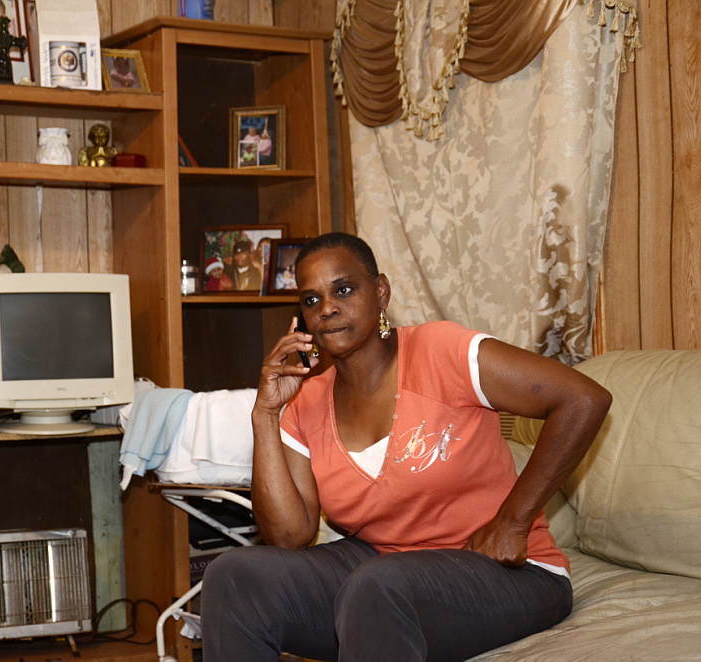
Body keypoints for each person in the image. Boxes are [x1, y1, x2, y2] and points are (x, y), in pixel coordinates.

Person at [201, 232, 612, 661]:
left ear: (380, 291)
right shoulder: (307, 401)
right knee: (234, 575)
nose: (327, 309)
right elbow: (288, 535)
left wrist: (513, 520)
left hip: (507, 573)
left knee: (378, 585)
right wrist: (265, 413)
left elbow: (583, 400)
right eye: (311, 299)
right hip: (381, 572)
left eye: (344, 290)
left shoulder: (441, 351)